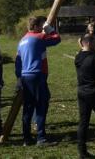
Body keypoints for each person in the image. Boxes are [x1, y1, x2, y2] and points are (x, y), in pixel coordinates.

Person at [15, 16, 61, 146]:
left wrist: (19, 77)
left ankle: (27, 138)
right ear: (35, 27)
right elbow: (57, 39)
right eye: (41, 26)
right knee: (41, 106)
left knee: (28, 108)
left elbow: (18, 61)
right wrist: (50, 29)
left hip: (25, 76)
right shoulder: (38, 37)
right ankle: (41, 138)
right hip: (37, 75)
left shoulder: (22, 40)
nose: (42, 28)